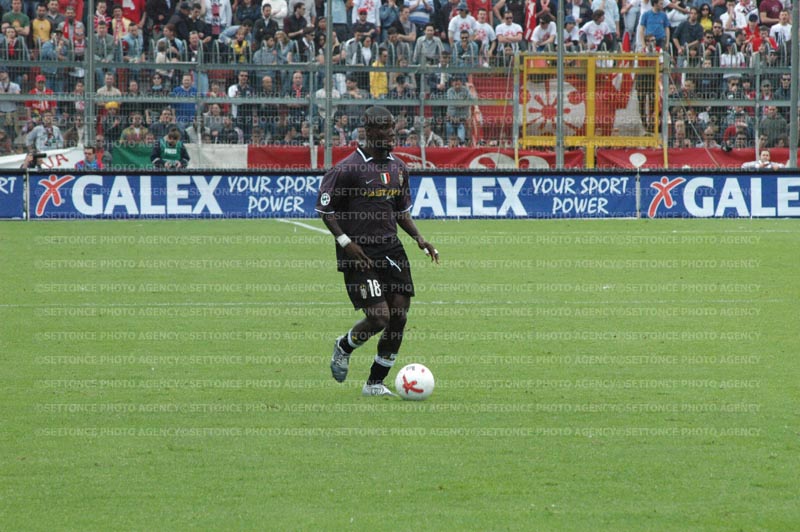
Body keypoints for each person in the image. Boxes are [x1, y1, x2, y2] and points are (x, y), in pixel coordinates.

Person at [315, 106, 439, 397]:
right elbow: (325, 209)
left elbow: (401, 212)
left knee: (399, 316)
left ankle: (374, 383)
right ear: (369, 131)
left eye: (392, 128)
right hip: (359, 253)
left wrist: (420, 239)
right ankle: (344, 345)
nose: (391, 133)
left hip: (391, 249)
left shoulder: (399, 168)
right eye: (384, 128)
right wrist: (346, 242)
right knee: (379, 317)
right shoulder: (347, 169)